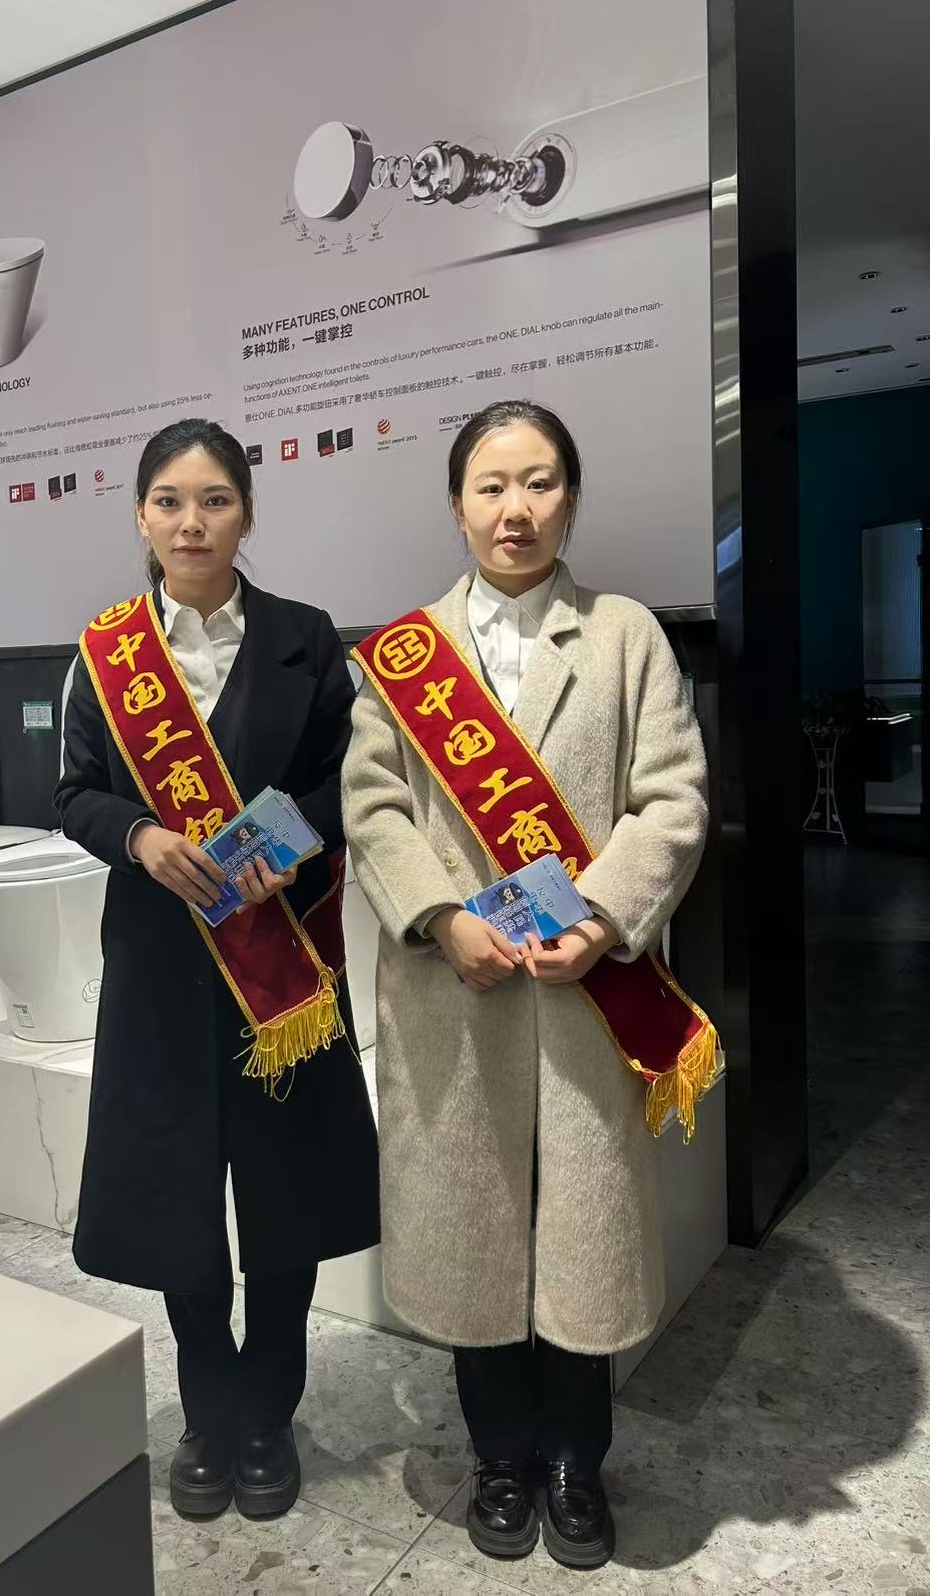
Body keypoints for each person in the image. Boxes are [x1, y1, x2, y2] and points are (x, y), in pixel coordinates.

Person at [342, 401, 714, 1571]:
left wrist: (601, 918)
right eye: (491, 486)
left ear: (570, 499)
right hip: (454, 997)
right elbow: (372, 807)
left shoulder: (623, 636)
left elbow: (672, 798)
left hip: (582, 997)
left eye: (539, 482)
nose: (516, 508)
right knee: (475, 1230)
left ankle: (572, 1463)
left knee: (580, 1234)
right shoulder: (400, 656)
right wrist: (440, 916)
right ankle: (499, 1456)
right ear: (456, 506)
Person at [55, 417, 379, 1524]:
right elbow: (73, 793)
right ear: (140, 515)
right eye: (169, 502)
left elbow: (350, 782)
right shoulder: (105, 653)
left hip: (279, 963)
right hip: (159, 966)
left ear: (246, 513)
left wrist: (289, 845)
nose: (191, 523)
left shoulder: (305, 637)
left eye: (214, 501)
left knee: (286, 1199)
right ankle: (208, 1410)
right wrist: (141, 837)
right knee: (176, 1201)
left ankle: (268, 1413)